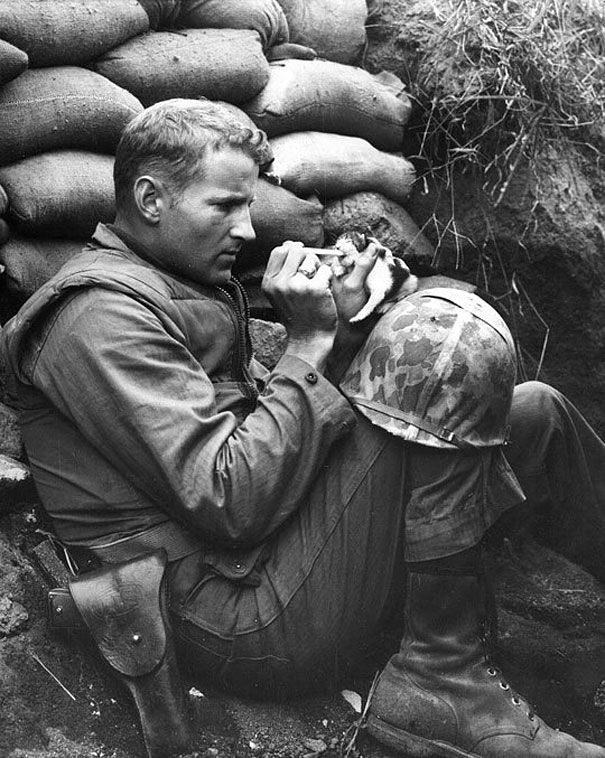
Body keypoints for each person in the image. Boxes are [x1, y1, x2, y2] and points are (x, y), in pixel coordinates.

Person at [2, 98, 604, 758]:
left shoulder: (174, 285)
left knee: (535, 415)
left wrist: (344, 336)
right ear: (149, 198)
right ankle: (440, 682)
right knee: (437, 349)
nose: (246, 228)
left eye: (247, 205)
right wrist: (311, 341)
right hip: (234, 617)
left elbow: (276, 441)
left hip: (271, 557)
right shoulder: (95, 320)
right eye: (224, 206)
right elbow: (229, 502)